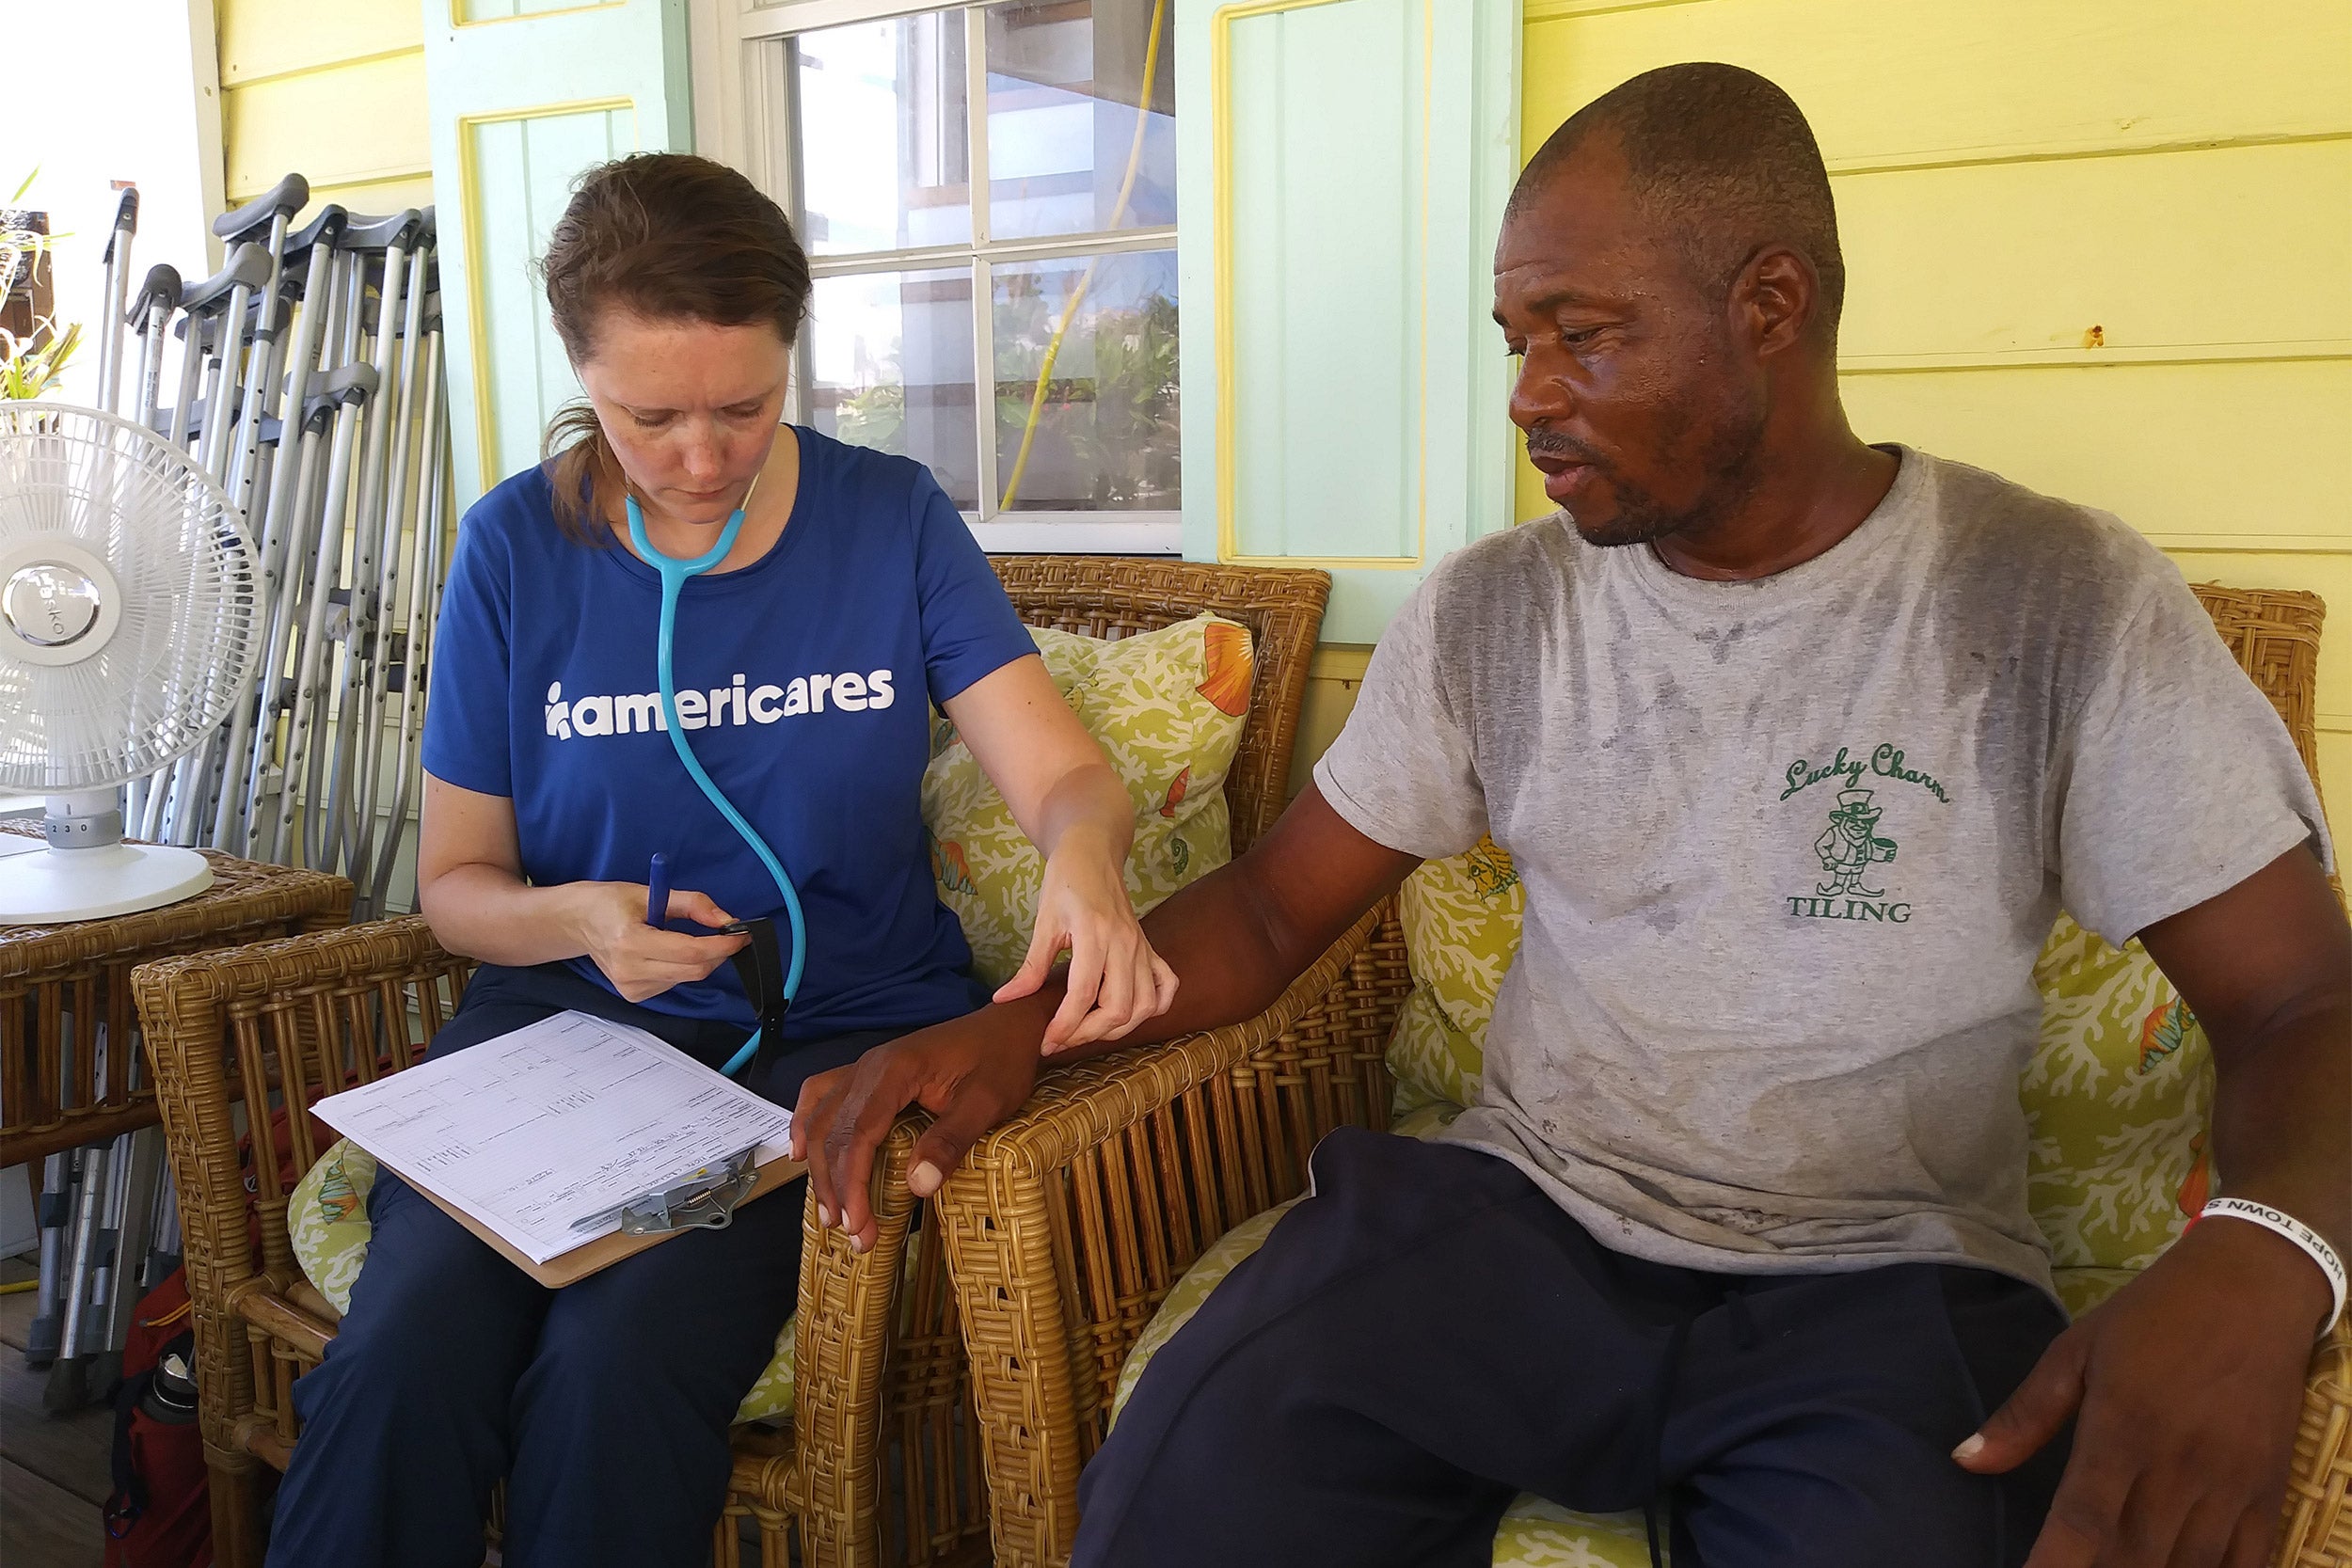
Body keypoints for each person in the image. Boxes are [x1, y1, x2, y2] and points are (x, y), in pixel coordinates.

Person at [791, 64, 2349, 1568]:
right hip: (1514, 1223)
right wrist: (1031, 1023)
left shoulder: (2054, 597)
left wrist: (2270, 1262)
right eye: (1515, 342)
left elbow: (2302, 1002)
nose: (1531, 399)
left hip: (1885, 1280)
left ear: (1771, 305)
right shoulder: (1497, 613)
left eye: (1582, 337)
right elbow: (1271, 915)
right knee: (1189, 1497)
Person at [264, 153, 1176, 1568]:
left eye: (744, 408)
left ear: (792, 363)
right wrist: (580, 919)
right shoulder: (514, 549)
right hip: (564, 1043)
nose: (701, 456)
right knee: (401, 1362)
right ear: (580, 368)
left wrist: (1089, 859)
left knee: (616, 1372)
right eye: (650, 417)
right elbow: (456, 890)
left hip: (821, 1061)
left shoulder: (891, 518)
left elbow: (1060, 775)